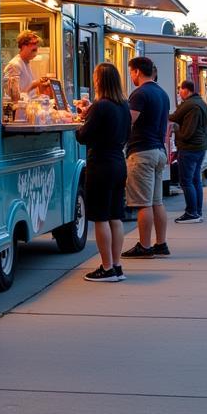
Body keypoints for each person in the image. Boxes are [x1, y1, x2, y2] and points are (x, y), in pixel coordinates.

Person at [76, 63, 130, 282]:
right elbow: (127, 132)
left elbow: (83, 136)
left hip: (100, 164)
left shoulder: (101, 106)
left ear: (99, 81)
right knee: (115, 217)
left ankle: (106, 268)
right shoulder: (123, 105)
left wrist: (82, 120)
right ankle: (116, 266)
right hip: (118, 162)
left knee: (100, 218)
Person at [121, 56, 171, 259]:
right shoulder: (162, 93)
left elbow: (127, 122)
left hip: (142, 152)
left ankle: (144, 245)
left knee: (143, 203)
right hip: (159, 151)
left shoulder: (139, 94)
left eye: (131, 72)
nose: (131, 76)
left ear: (138, 72)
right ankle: (161, 243)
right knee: (157, 201)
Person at [169, 80, 207, 223]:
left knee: (186, 181)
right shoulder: (202, 103)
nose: (179, 93)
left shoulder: (189, 104)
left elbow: (173, 118)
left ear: (186, 90)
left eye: (180, 90)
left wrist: (176, 131)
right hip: (200, 146)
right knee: (196, 180)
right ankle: (197, 211)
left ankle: (191, 212)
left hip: (189, 147)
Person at [2, 30, 50, 99]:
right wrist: (34, 84)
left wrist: (40, 84)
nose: (35, 53)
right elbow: (13, 96)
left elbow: (28, 89)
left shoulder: (26, 63)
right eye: (33, 50)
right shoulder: (14, 65)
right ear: (24, 46)